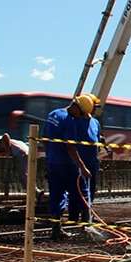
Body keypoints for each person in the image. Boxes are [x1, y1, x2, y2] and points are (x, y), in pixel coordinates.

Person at [42, 95, 95, 238]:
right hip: (67, 164)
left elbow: (44, 139)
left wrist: (50, 157)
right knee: (82, 191)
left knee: (56, 195)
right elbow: (71, 148)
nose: (80, 117)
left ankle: (56, 229)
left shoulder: (53, 114)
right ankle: (86, 227)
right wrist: (83, 167)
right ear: (77, 108)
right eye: (82, 114)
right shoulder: (69, 121)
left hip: (53, 163)